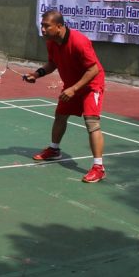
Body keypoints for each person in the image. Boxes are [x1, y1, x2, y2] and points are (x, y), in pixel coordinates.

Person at [24, 10, 106, 183]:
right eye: (42, 25)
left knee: (91, 122)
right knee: (60, 115)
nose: (43, 29)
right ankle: (54, 150)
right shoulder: (52, 42)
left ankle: (99, 167)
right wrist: (37, 74)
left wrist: (74, 89)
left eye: (47, 26)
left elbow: (94, 69)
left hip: (91, 84)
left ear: (59, 26)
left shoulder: (79, 42)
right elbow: (53, 63)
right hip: (72, 85)